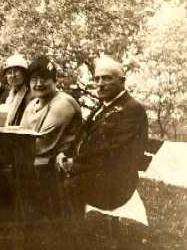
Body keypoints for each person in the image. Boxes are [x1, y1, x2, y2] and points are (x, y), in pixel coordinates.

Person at [60, 55, 149, 248]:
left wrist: (74, 165)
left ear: (122, 81)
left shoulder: (132, 110)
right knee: (51, 177)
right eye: (97, 79)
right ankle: (62, 235)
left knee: (69, 187)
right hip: (96, 172)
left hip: (116, 181)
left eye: (107, 78)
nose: (100, 84)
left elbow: (111, 152)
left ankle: (74, 243)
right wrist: (66, 155)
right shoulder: (102, 106)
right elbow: (80, 135)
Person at [20, 56, 82, 220]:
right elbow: (20, 133)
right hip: (36, 163)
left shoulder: (62, 103)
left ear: (54, 80)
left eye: (44, 78)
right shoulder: (33, 104)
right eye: (34, 79)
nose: (39, 83)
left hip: (56, 169)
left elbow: (42, 145)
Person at [4, 54, 32, 126]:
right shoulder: (11, 95)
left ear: (24, 74)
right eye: (9, 73)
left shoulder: (30, 95)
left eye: (16, 71)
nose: (13, 75)